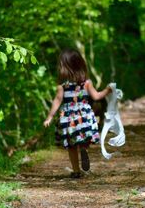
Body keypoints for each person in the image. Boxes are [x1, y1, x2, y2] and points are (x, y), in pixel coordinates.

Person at [43, 49, 112, 178]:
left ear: (63, 67)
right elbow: (96, 96)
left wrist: (49, 117)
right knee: (83, 140)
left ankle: (76, 171)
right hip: (84, 116)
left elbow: (57, 101)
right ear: (80, 64)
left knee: (71, 146)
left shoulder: (62, 86)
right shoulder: (86, 83)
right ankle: (84, 150)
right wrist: (107, 90)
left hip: (69, 118)